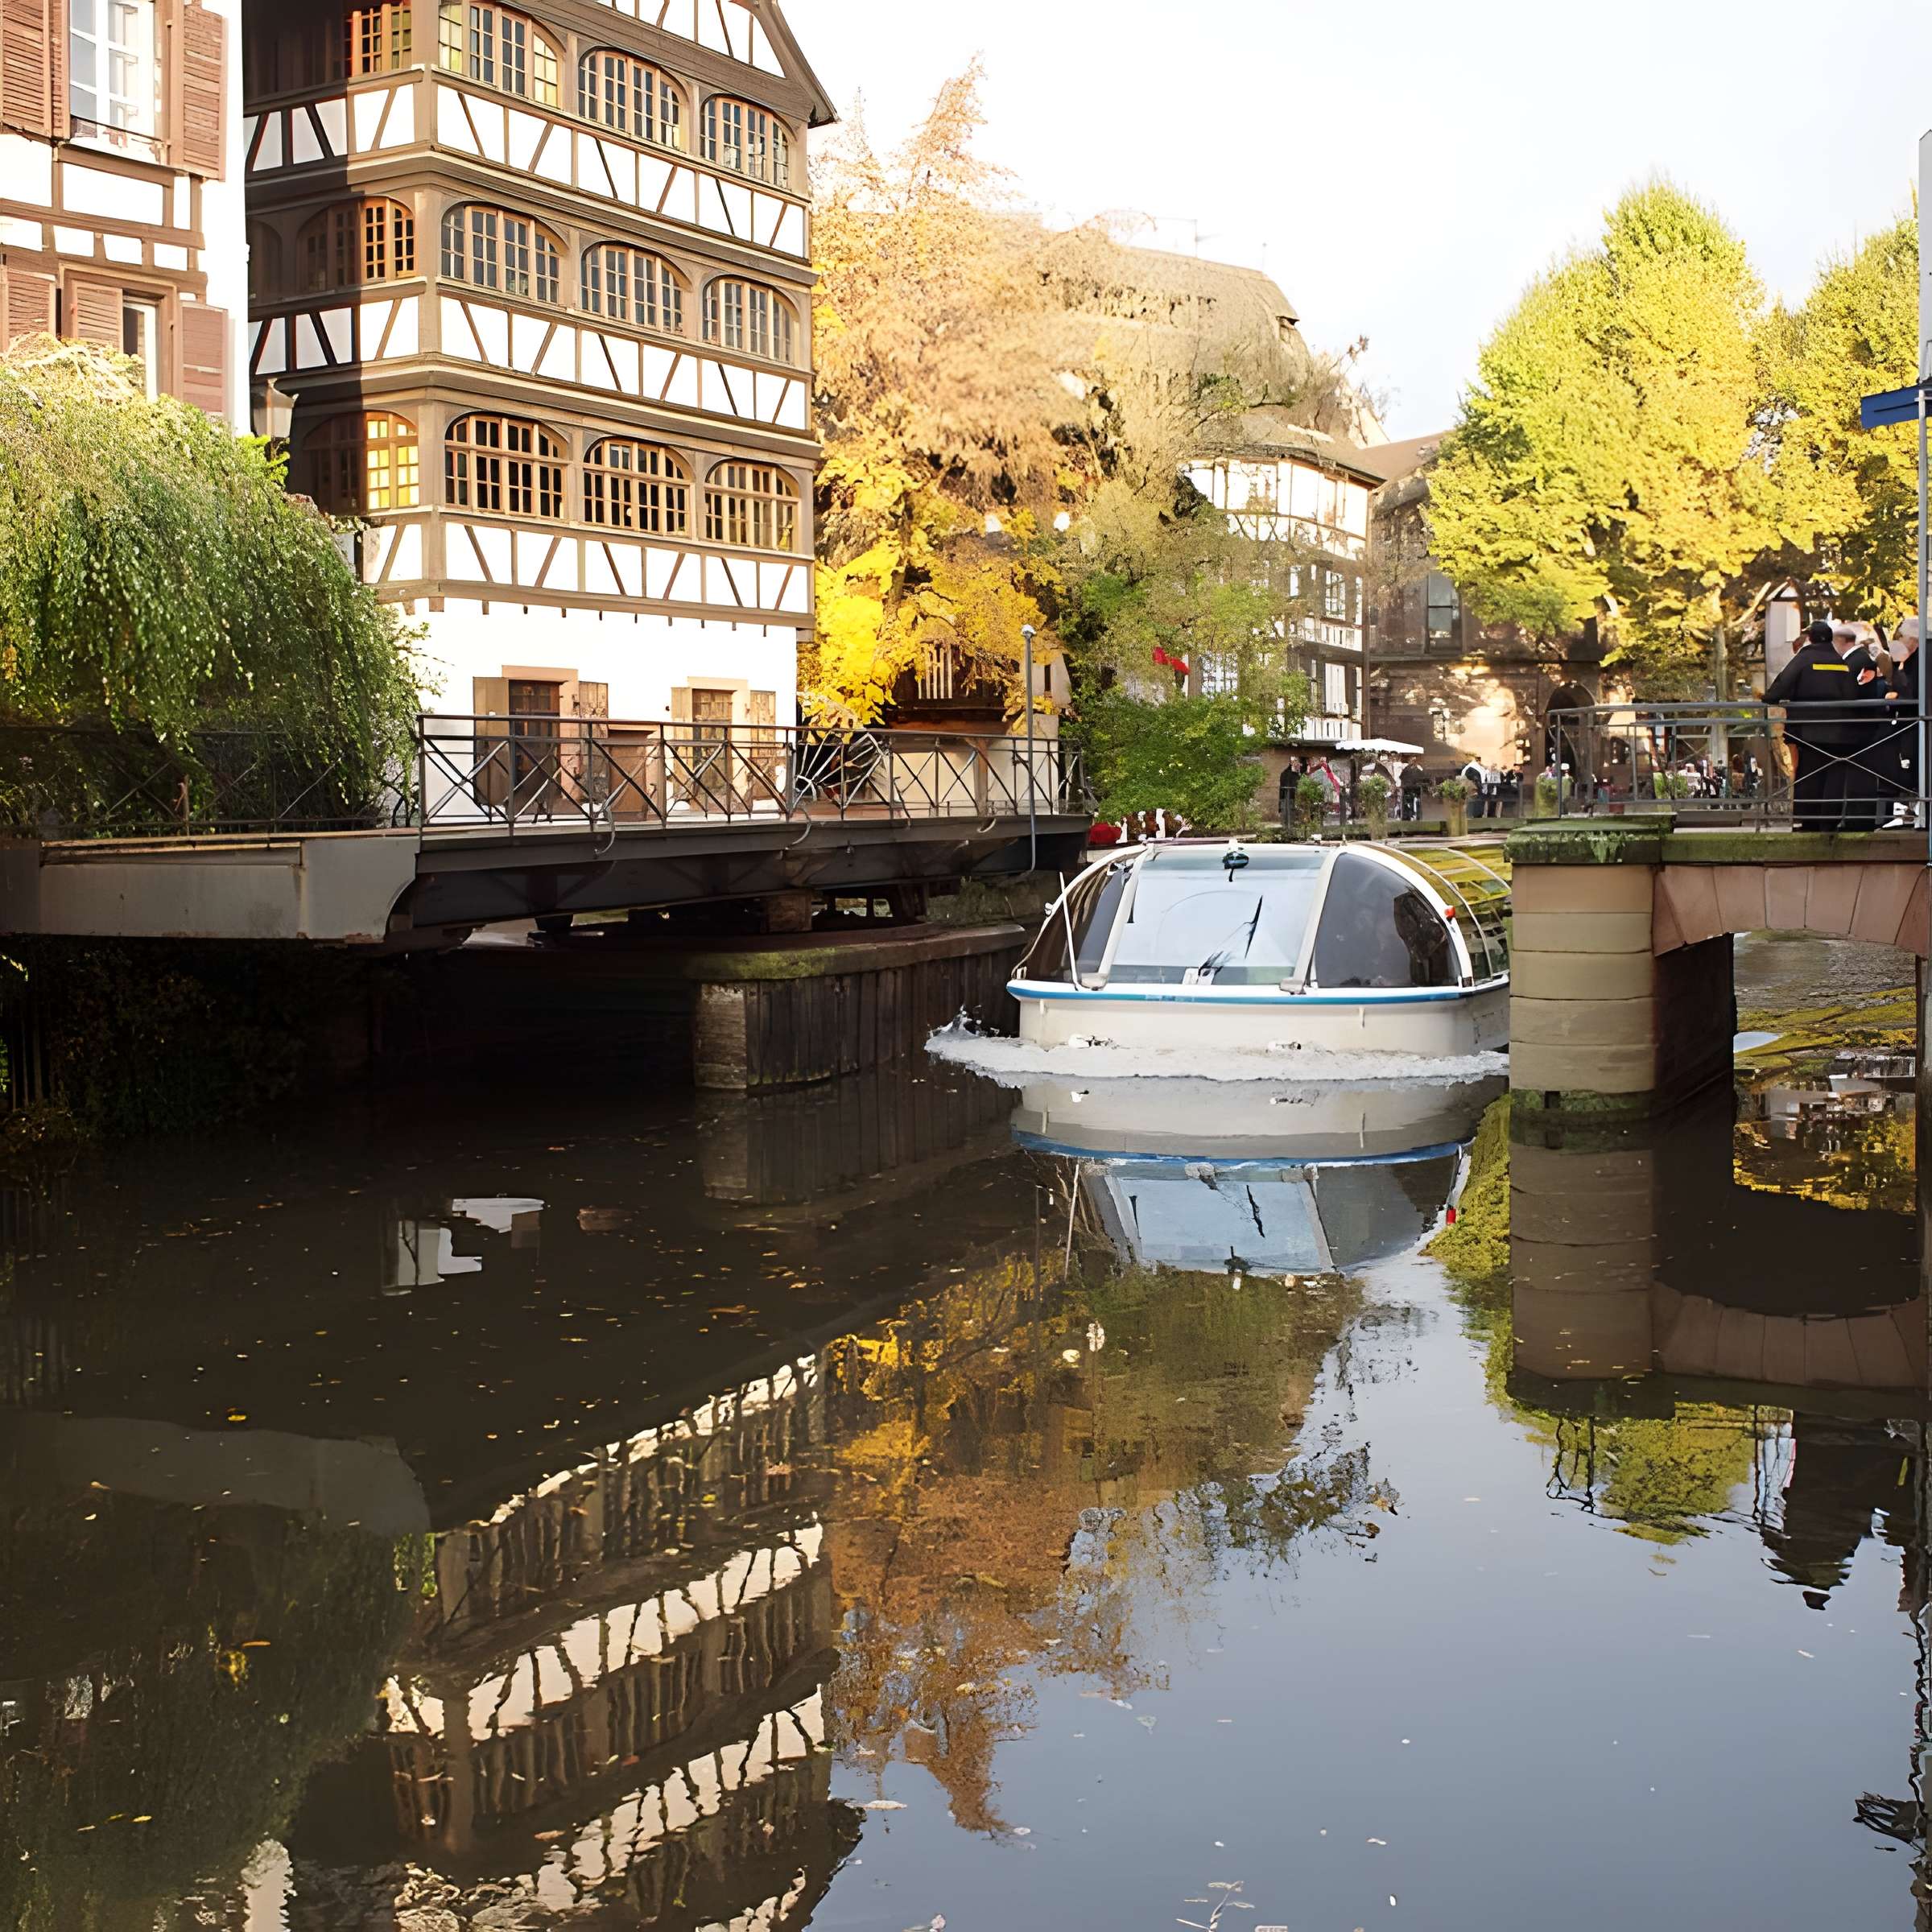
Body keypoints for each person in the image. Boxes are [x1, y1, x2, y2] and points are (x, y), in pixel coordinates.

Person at [1765, 618, 1885, 831]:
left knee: (1811, 776)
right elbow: (1851, 694)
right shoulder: (1839, 661)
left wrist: (1771, 698)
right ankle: (1829, 821)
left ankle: (1809, 822)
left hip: (1810, 732)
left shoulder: (1805, 658)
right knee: (1834, 778)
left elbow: (1782, 685)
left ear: (1810, 638)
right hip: (1839, 732)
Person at [1885, 614, 1922, 827]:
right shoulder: (1901, 661)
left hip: (1916, 719)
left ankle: (1917, 802)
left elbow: (1913, 689)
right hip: (1906, 721)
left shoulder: (1918, 661)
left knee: (1914, 761)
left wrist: (1898, 697)